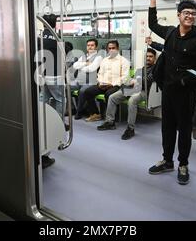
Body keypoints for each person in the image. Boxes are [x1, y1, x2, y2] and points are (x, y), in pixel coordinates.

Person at [147, 0, 196, 185]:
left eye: (193, 14)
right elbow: (152, 24)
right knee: (167, 128)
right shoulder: (171, 33)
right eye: (186, 13)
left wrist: (187, 80)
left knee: (184, 129)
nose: (190, 16)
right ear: (179, 15)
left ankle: (183, 164)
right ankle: (167, 160)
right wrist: (152, 1)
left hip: (187, 92)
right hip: (168, 90)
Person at [97, 48, 157, 140]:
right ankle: (110, 122)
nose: (148, 58)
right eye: (147, 56)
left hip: (145, 91)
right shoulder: (141, 69)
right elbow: (131, 79)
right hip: (133, 89)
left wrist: (136, 81)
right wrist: (132, 81)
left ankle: (130, 128)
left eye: (151, 57)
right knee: (112, 97)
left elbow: (147, 81)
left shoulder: (156, 69)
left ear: (155, 58)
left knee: (132, 100)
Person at [39, 14, 73, 169]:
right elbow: (66, 54)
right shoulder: (56, 37)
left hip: (41, 75)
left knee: (43, 99)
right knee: (60, 100)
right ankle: (59, 122)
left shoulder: (38, 37)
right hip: (55, 75)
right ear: (55, 23)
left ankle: (41, 120)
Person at [81, 40, 130, 122]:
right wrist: (100, 82)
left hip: (116, 85)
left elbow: (124, 78)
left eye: (113, 48)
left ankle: (111, 118)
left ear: (117, 48)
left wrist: (112, 84)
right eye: (109, 48)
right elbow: (100, 74)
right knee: (88, 92)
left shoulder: (124, 61)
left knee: (108, 94)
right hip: (103, 85)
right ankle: (95, 114)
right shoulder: (105, 60)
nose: (111, 50)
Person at [71, 38, 103, 119]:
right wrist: (86, 63)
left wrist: (81, 67)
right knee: (66, 87)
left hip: (91, 82)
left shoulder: (98, 57)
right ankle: (72, 108)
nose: (90, 47)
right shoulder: (83, 56)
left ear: (96, 47)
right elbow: (75, 65)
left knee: (82, 91)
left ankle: (79, 111)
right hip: (79, 80)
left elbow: (92, 68)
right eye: (88, 45)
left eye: (92, 45)